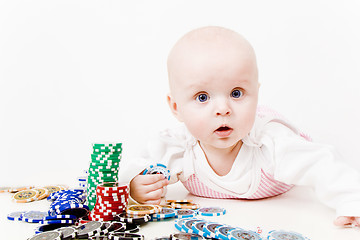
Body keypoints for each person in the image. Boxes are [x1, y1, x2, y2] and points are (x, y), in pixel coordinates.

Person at [128, 26, 360, 227]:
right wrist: (135, 189)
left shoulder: (271, 143)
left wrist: (352, 202)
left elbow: (321, 164)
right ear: (176, 107)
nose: (223, 109)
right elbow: (136, 170)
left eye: (236, 93)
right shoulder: (177, 147)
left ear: (256, 94)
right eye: (202, 97)